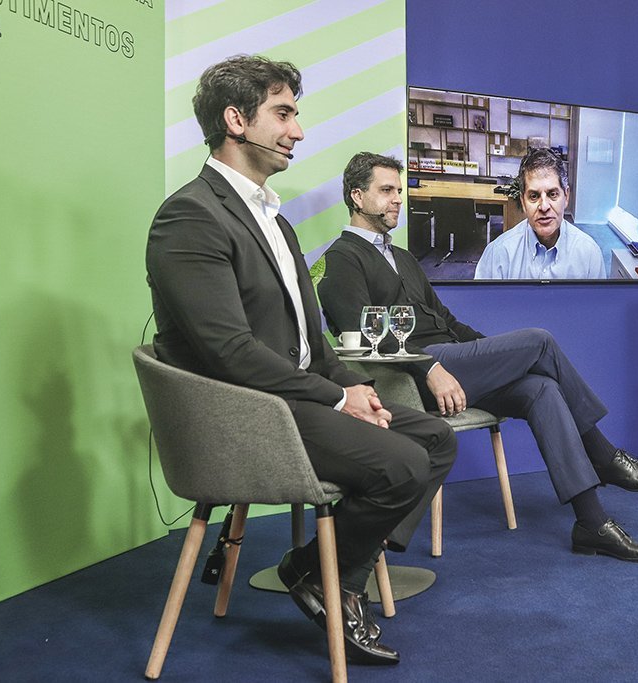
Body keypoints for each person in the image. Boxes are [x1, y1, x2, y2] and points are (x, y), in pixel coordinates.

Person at [145, 56, 456, 665]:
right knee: (401, 466)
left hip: (293, 398)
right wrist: (338, 399)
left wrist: (358, 389)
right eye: (283, 114)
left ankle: (325, 571)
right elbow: (228, 352)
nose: (298, 130)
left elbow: (311, 343)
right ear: (236, 120)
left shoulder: (276, 222)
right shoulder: (189, 216)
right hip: (248, 412)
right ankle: (335, 579)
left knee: (436, 439)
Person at [317, 151, 638, 562]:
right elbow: (365, 338)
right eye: (386, 191)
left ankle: (591, 523)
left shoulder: (401, 258)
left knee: (541, 388)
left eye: (399, 190)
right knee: (539, 341)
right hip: (415, 379)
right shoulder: (341, 259)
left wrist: (498, 358)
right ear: (357, 196)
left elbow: (448, 321)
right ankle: (606, 457)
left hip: (454, 364)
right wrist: (430, 367)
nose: (398, 198)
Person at [474, 147, 606, 279]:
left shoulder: (590, 254)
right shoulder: (497, 255)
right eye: (534, 196)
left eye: (552, 194)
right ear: (523, 202)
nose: (544, 207)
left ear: (566, 197)